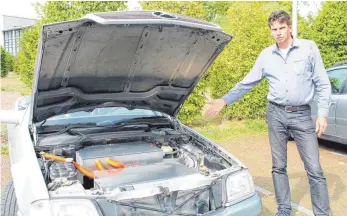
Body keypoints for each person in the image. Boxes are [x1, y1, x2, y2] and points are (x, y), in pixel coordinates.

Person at [206, 10, 331, 216]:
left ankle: (322, 213)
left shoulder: (308, 48)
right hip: (276, 115)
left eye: (282, 28)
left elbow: (323, 83)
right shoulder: (266, 55)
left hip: (302, 115)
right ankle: (283, 210)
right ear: (271, 31)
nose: (279, 33)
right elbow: (247, 83)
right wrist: (224, 100)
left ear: (289, 28)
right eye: (274, 29)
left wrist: (322, 113)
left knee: (315, 169)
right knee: (278, 166)